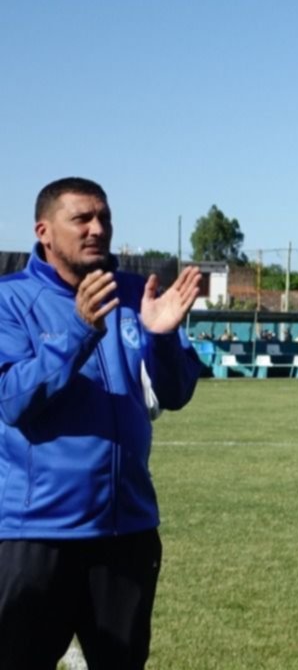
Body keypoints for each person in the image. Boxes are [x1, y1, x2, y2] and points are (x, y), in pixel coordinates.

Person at [0, 177, 203, 669]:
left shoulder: (140, 294)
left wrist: (162, 338)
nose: (97, 229)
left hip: (126, 534)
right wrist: (78, 329)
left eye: (104, 218)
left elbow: (174, 393)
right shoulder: (10, 300)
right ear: (44, 231)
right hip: (37, 533)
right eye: (82, 219)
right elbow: (14, 401)